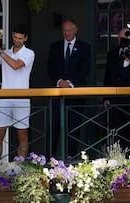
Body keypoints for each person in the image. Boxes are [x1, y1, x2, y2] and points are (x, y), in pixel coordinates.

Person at [0, 24, 35, 160]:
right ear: (12, 36)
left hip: (22, 98)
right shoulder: (6, 52)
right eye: (15, 37)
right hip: (5, 98)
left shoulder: (29, 53)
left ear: (25, 39)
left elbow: (16, 66)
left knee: (22, 134)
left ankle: (20, 168)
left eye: (20, 38)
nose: (17, 40)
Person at [47, 19, 90, 158]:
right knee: (53, 128)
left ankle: (71, 159)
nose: (67, 33)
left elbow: (85, 69)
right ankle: (50, 159)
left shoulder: (84, 47)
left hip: (75, 95)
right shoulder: (55, 46)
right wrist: (59, 81)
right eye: (65, 31)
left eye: (69, 30)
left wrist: (71, 83)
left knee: (73, 128)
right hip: (57, 94)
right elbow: (50, 68)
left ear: (75, 30)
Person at [103, 28, 130, 149]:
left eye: (125, 39)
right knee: (116, 129)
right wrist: (106, 97)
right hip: (115, 99)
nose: (122, 41)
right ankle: (118, 155)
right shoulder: (112, 53)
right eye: (120, 38)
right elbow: (108, 76)